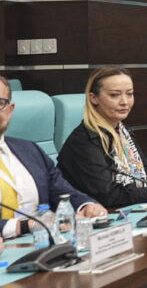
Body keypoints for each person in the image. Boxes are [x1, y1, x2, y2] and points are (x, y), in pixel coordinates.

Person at [0, 76, 106, 237]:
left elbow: (61, 191)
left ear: (10, 110)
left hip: (44, 242)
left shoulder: (30, 150)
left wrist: (86, 206)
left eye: (0, 103)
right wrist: (25, 225)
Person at [58, 67, 147, 208]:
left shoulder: (122, 131)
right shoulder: (83, 140)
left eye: (129, 94)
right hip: (92, 215)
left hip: (127, 208)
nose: (124, 102)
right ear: (94, 98)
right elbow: (109, 194)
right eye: (114, 95)